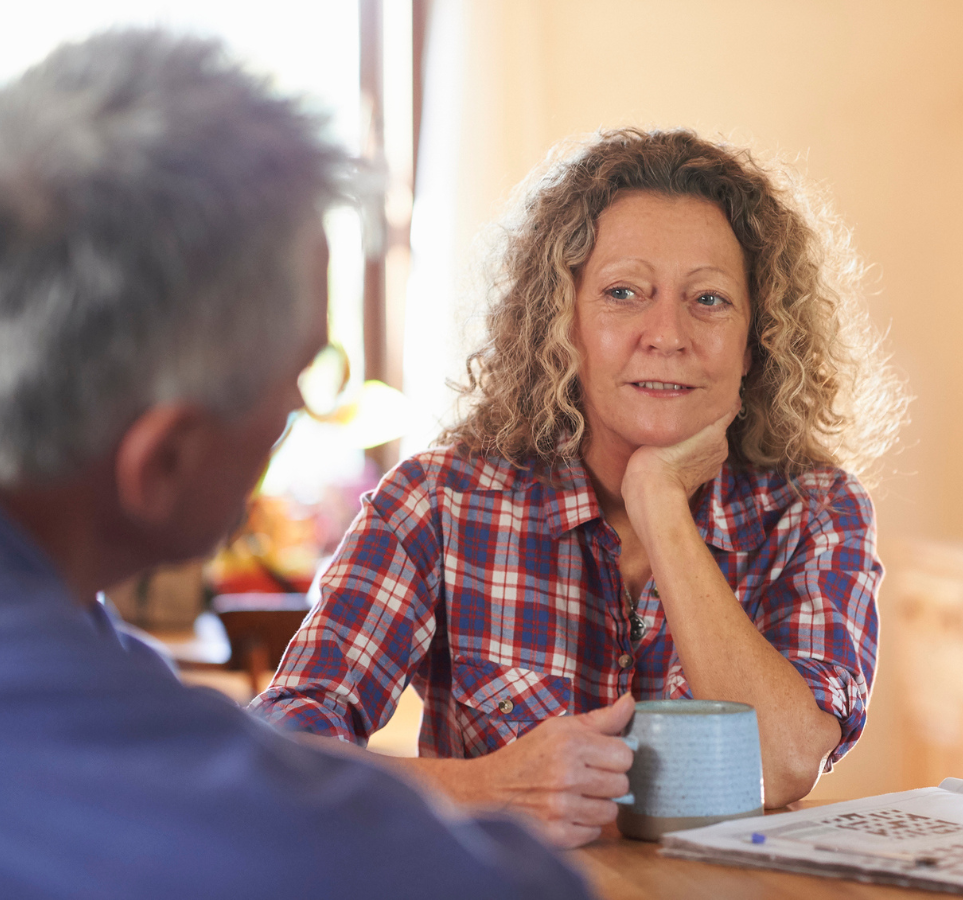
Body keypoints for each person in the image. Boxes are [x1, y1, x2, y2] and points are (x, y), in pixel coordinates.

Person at [0, 29, 588, 899]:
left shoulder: (53, 612)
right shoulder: (64, 725)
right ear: (164, 458)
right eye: (301, 377)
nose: (299, 411)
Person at [255, 128, 907, 848]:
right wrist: (487, 787)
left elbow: (784, 763)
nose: (667, 334)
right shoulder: (438, 502)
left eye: (710, 299)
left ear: (757, 342)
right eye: (624, 293)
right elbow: (280, 752)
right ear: (563, 323)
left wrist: (662, 503)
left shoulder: (816, 511)